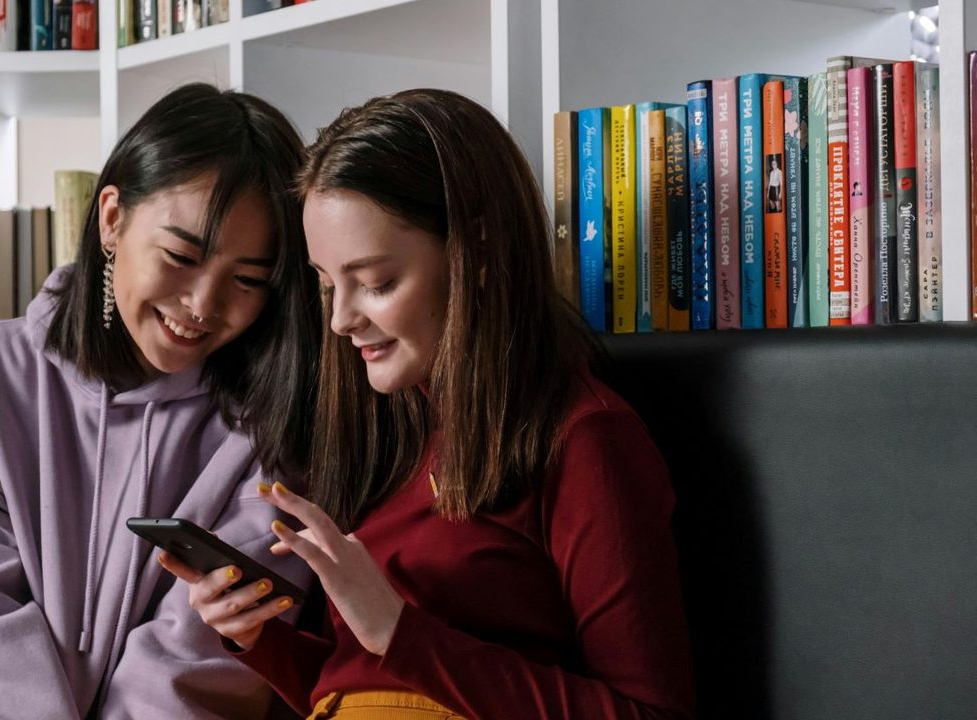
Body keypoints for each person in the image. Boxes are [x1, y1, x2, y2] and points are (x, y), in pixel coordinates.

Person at [161, 89, 695, 719]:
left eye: (377, 283)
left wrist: (398, 632)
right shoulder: (388, 431)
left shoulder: (585, 440)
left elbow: (651, 714)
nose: (339, 320)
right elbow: (363, 687)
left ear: (480, 256)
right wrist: (256, 637)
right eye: (328, 283)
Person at [0, 82, 320, 720]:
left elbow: (197, 665)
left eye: (248, 280)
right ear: (112, 217)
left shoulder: (270, 426)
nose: (203, 304)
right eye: (181, 256)